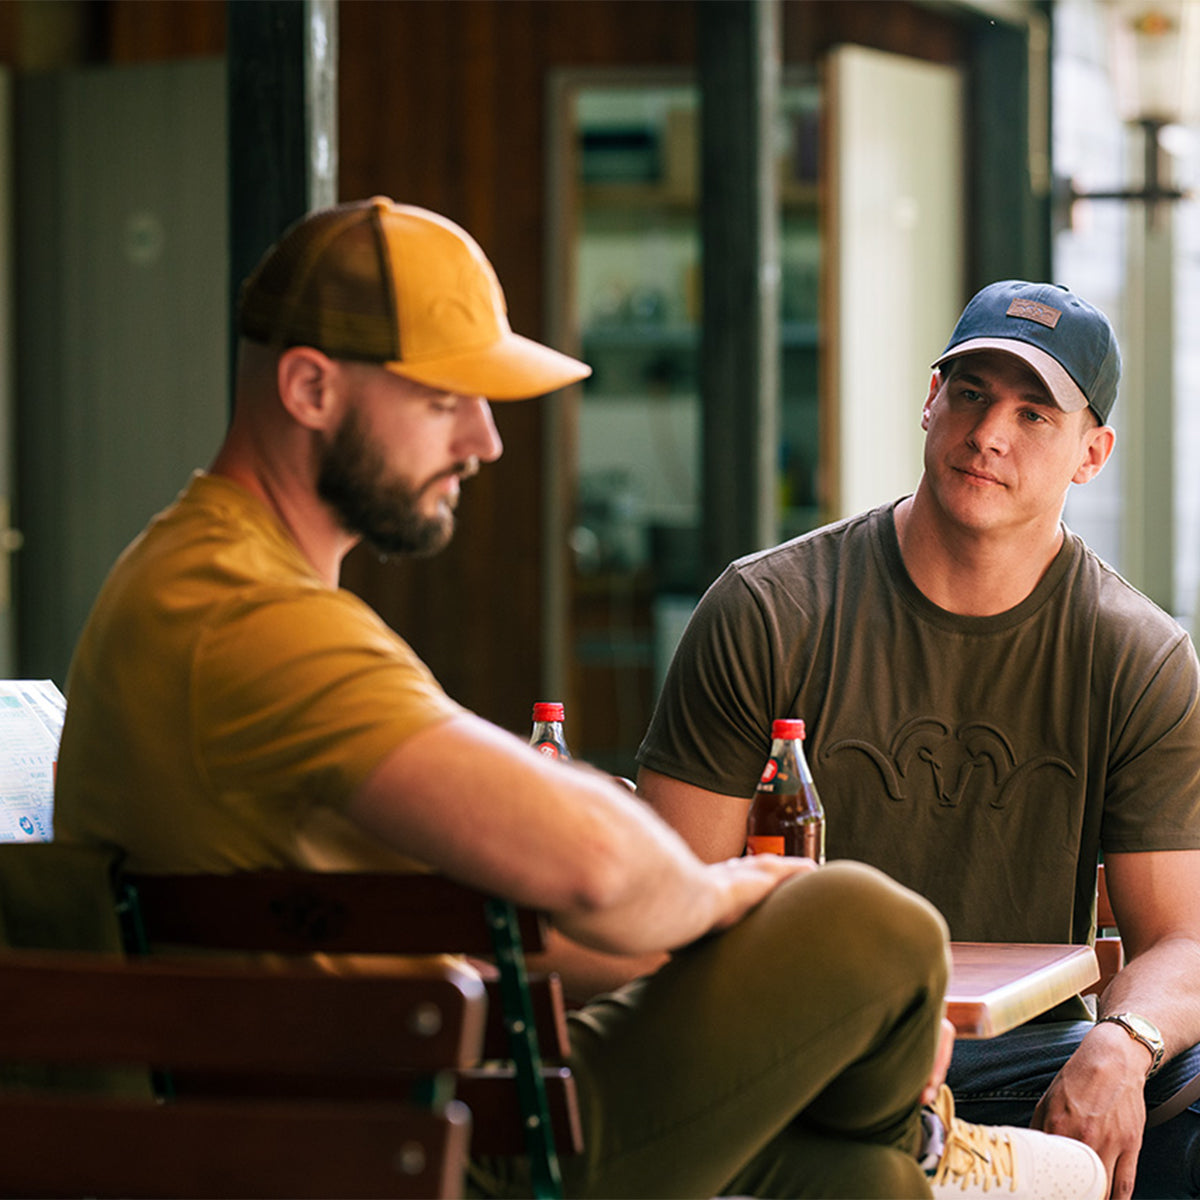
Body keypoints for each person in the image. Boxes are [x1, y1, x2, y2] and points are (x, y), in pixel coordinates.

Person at [53, 200, 1106, 1200]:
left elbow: (530, 886)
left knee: (855, 1179)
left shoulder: (209, 582)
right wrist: (747, 896)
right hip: (407, 1146)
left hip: (399, 1100)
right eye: (441, 398)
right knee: (868, 926)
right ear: (311, 390)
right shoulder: (242, 617)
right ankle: (927, 1138)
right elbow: (597, 859)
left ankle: (912, 1147)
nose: (485, 440)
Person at [636, 279, 1200, 1199]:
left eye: (1034, 414)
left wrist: (1121, 1046)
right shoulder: (768, 611)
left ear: (1091, 454)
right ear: (930, 401)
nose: (989, 434)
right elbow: (665, 904)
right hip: (802, 1051)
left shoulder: (1135, 654)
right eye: (971, 393)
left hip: (1024, 1065)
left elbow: (1182, 939)